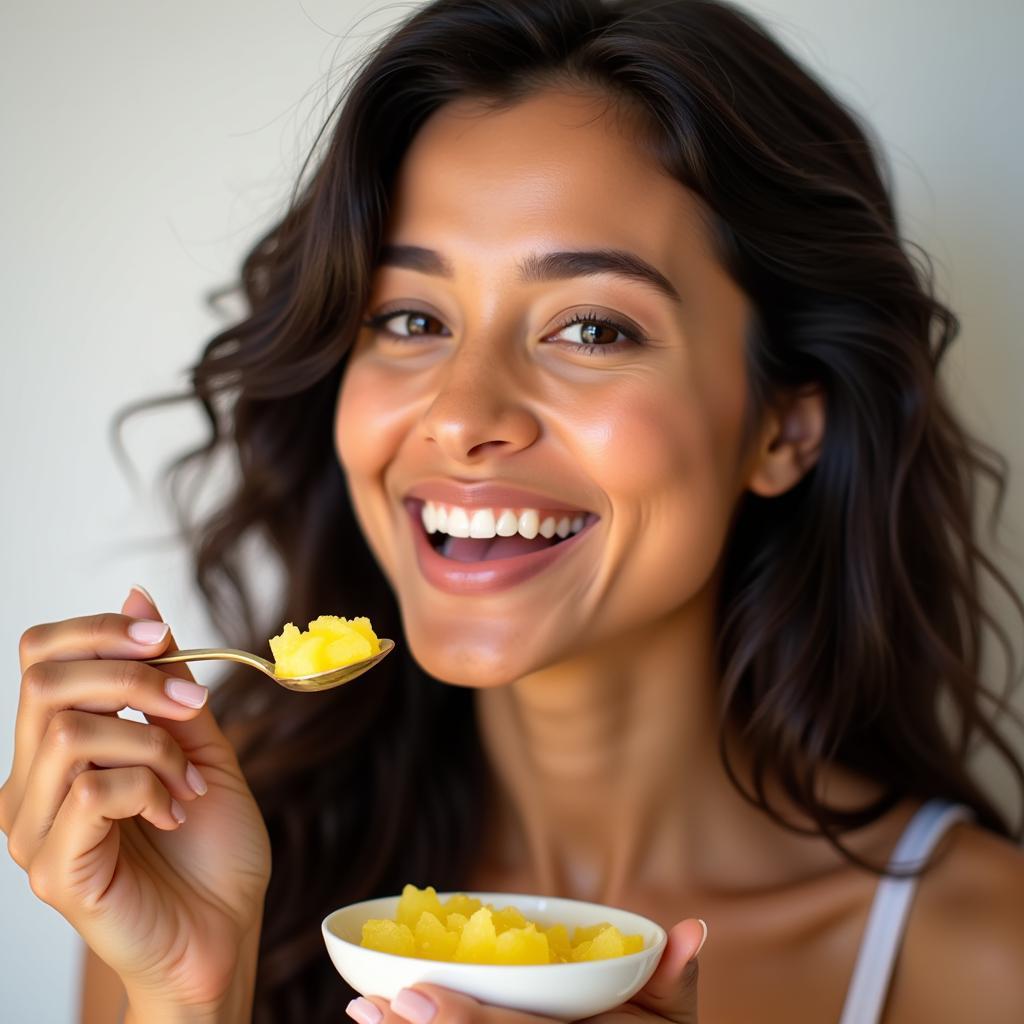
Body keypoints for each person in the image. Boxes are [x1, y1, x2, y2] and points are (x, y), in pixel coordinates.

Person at [3, 0, 1024, 1021]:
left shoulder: (984, 955)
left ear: (783, 429)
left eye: (590, 328)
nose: (461, 416)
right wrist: (187, 995)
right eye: (410, 318)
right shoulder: (212, 868)